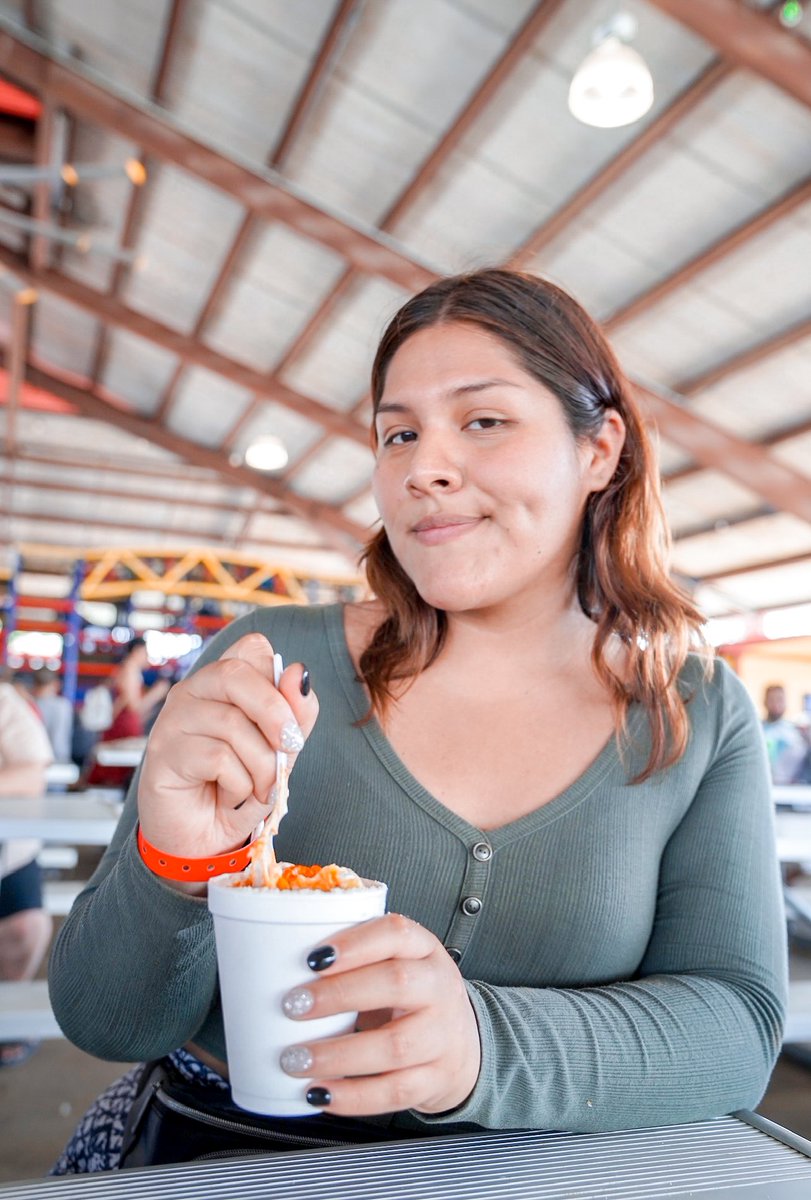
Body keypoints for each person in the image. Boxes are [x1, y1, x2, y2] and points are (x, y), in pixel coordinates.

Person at [49, 269, 786, 1172]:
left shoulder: (695, 712)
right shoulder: (268, 664)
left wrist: (481, 1046)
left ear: (599, 450)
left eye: (482, 420)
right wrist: (176, 865)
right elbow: (107, 1019)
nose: (423, 467)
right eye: (398, 433)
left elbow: (737, 1028)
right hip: (209, 1161)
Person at [0, 679, 53, 1067]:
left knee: (27, 929)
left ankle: (8, 1010)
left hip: (7, 855)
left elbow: (32, 777)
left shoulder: (5, 703)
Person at [85, 638, 170, 788]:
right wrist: (157, 693)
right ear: (137, 651)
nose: (147, 657)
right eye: (145, 653)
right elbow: (134, 707)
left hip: (124, 724)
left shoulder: (126, 669)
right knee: (116, 773)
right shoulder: (130, 670)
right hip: (123, 727)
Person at [761, 684, 806, 786]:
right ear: (764, 702)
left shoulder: (796, 732)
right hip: (763, 785)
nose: (776, 704)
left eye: (780, 699)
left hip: (790, 789)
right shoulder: (758, 730)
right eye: (771, 699)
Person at [31, 668, 74, 766]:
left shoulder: (26, 704)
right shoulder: (63, 706)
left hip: (31, 762)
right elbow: (59, 739)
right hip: (57, 762)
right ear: (56, 684)